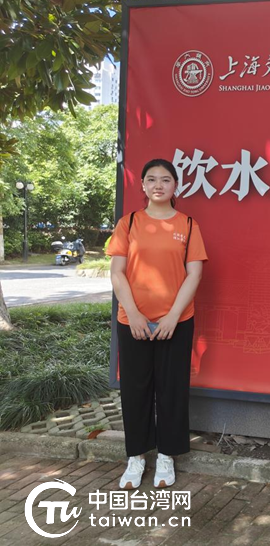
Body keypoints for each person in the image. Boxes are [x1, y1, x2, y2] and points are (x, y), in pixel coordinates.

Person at [106, 158, 208, 490]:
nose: (158, 185)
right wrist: (134, 313)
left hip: (176, 321)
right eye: (151, 179)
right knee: (135, 390)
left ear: (176, 185)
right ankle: (136, 456)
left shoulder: (188, 225)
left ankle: (167, 455)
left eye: (166, 179)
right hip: (132, 321)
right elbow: (117, 272)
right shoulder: (129, 223)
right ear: (143, 185)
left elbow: (194, 274)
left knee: (171, 389)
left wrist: (173, 316)